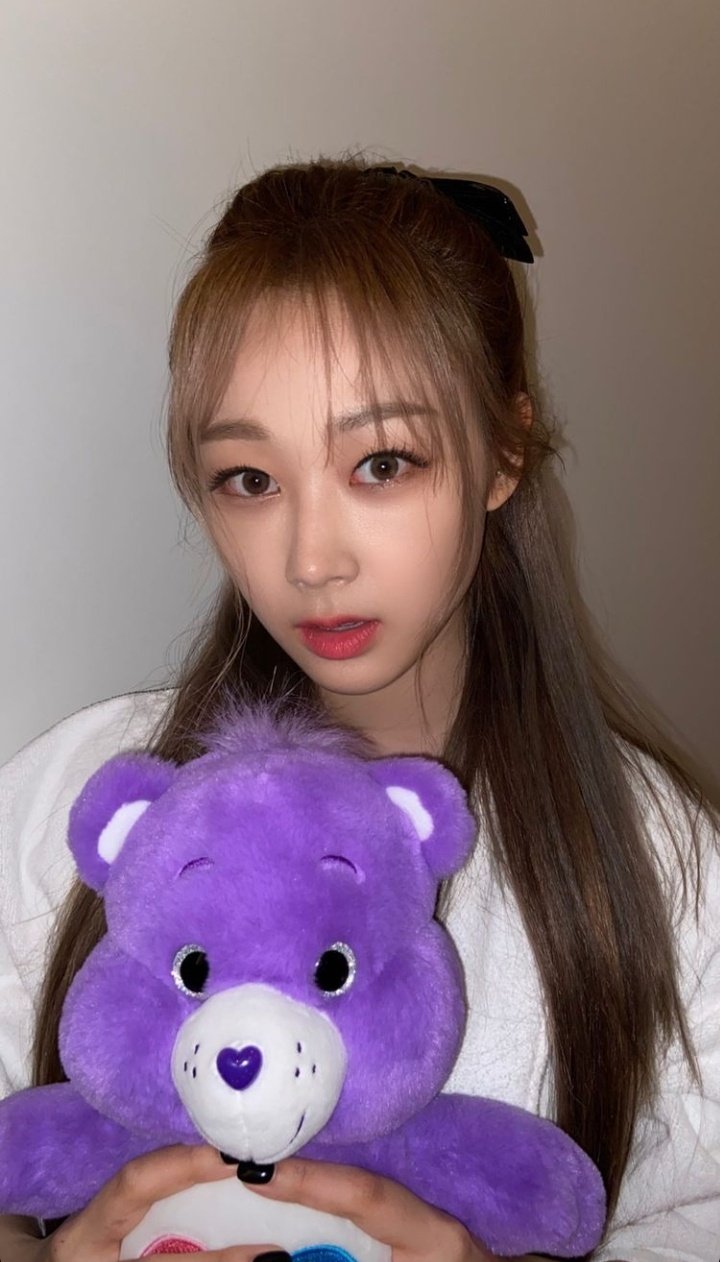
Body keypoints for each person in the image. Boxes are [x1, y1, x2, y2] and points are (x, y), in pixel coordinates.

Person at [0, 157, 718, 1262]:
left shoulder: (656, 859)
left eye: (383, 463)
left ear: (504, 451)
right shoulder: (81, 793)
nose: (311, 559)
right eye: (250, 479)